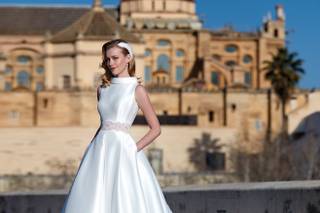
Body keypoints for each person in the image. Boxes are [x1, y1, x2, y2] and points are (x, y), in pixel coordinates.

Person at [61, 39, 173, 213]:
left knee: (125, 198)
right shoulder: (102, 89)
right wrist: (91, 148)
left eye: (115, 58)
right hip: (98, 149)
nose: (110, 63)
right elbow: (103, 124)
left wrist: (133, 149)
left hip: (124, 150)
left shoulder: (137, 90)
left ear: (128, 58)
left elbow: (156, 128)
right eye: (107, 59)